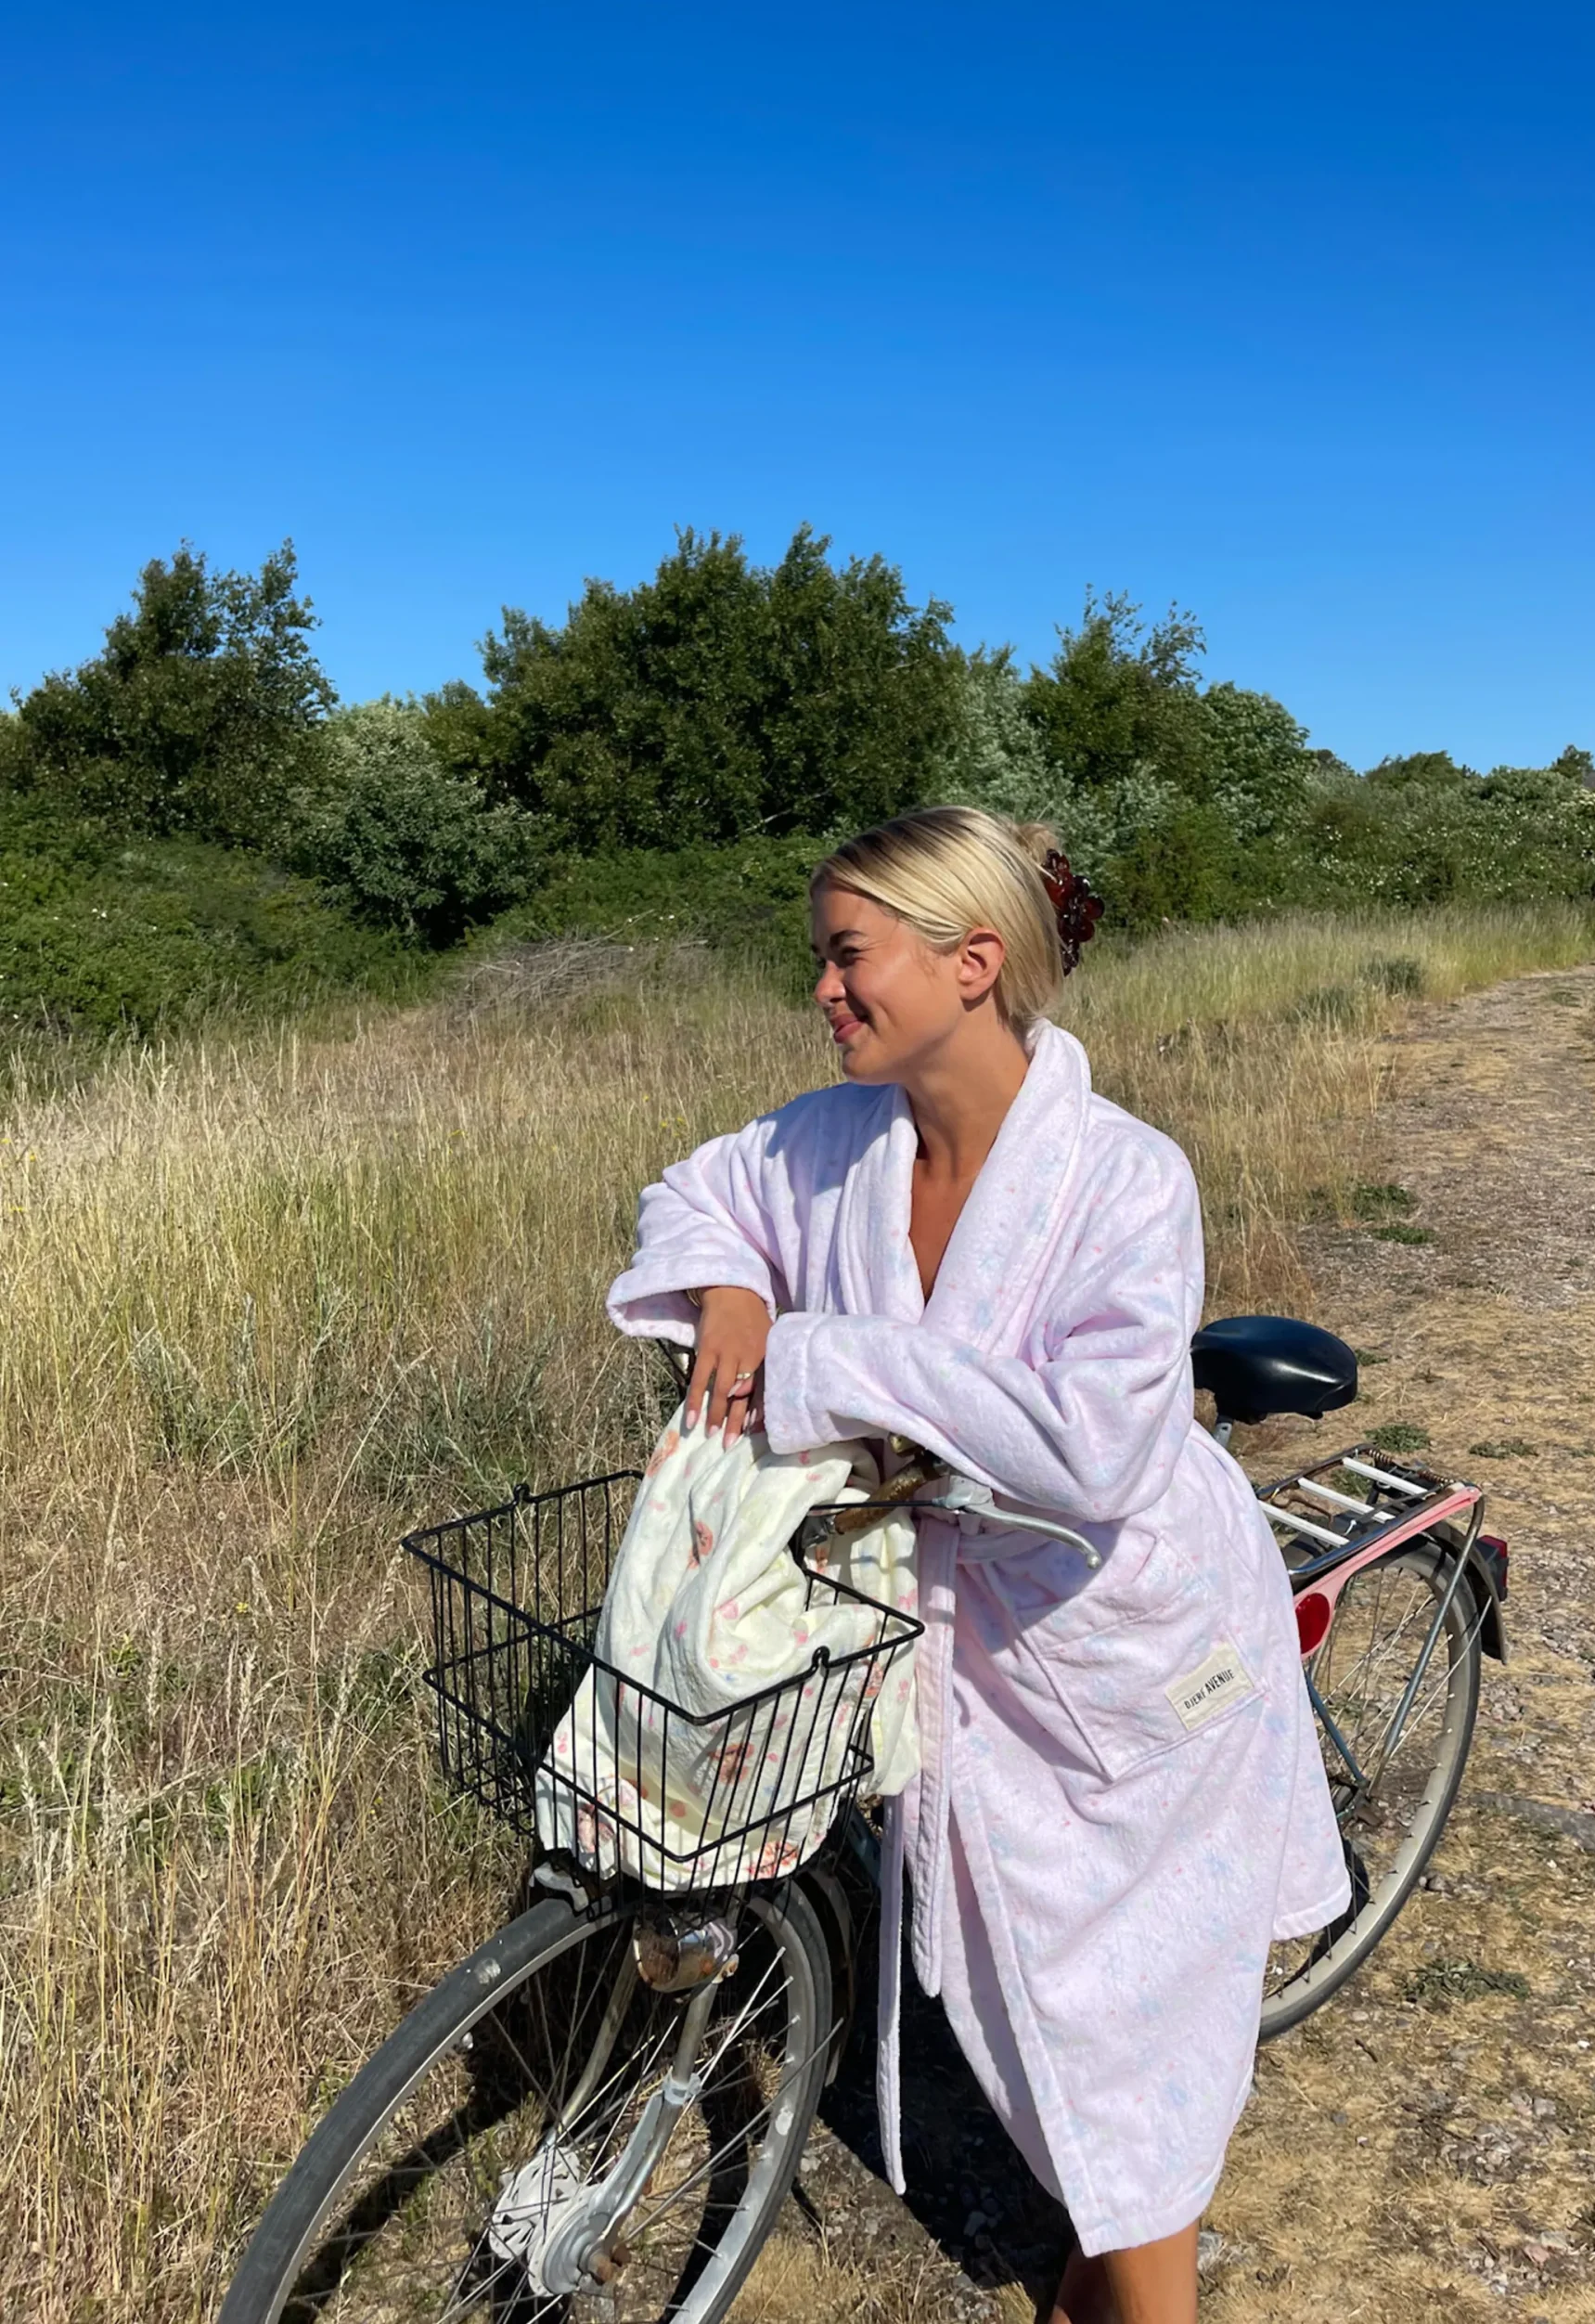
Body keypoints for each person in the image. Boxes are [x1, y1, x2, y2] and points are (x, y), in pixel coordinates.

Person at [607, 807, 1347, 2324]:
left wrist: (818, 1355)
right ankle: (1102, 2242)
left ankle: (1137, 2283)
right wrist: (733, 1284)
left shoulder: (1126, 1177)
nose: (823, 990)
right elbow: (693, 1192)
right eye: (821, 958)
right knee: (1041, 2001)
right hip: (950, 1643)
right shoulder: (832, 1140)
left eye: (849, 955)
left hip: (1119, 1640)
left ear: (972, 961)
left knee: (1126, 2020)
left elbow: (1093, 1450)